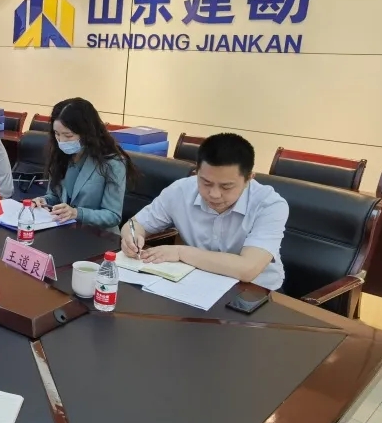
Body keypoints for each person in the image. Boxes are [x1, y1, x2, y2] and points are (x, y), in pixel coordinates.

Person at [122, 133, 289, 289]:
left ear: (248, 179)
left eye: (226, 186)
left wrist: (181, 252)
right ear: (197, 172)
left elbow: (247, 269)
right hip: (197, 280)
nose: (214, 194)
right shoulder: (181, 190)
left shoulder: (270, 205)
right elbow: (135, 224)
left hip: (255, 290)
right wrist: (131, 238)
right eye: (206, 183)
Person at [32, 98, 134, 231]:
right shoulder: (60, 155)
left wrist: (77, 213)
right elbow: (55, 196)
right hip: (65, 231)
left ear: (87, 133)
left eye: (68, 136)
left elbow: (113, 215)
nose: (61, 141)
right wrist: (44, 201)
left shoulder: (112, 162)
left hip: (98, 236)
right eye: (57, 134)